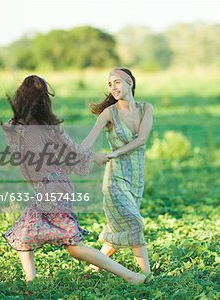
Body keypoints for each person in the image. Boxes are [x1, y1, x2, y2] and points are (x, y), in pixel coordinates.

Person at [1, 75, 150, 284]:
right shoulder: (45, 127)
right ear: (44, 100)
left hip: (52, 188)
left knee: (74, 247)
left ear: (20, 98)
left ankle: (131, 276)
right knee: (24, 233)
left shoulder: (13, 126)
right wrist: (95, 157)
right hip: (51, 186)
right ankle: (31, 281)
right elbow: (71, 151)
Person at [82, 68, 154, 277]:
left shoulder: (146, 108)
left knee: (119, 228)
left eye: (117, 82)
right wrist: (86, 153)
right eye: (109, 84)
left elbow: (141, 139)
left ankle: (94, 268)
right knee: (134, 222)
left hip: (136, 178)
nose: (113, 88)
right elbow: (89, 139)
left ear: (129, 82)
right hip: (115, 179)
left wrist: (113, 154)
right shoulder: (109, 113)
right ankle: (145, 275)